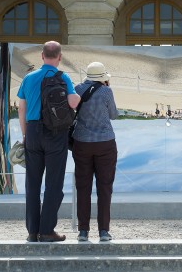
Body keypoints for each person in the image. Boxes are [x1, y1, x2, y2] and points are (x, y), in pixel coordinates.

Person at [17, 41, 81, 242]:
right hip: (55, 134)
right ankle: (46, 231)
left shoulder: (28, 77)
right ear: (59, 57)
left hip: (33, 131)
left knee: (32, 184)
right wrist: (77, 98)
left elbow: (21, 108)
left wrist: (26, 134)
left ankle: (32, 231)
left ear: (42, 56)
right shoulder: (63, 77)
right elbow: (72, 102)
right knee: (53, 184)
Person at [72, 61, 118, 242]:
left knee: (83, 187)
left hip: (81, 142)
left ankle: (83, 231)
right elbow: (113, 114)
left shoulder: (78, 88)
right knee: (104, 188)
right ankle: (103, 231)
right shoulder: (106, 91)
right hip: (105, 143)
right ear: (103, 78)